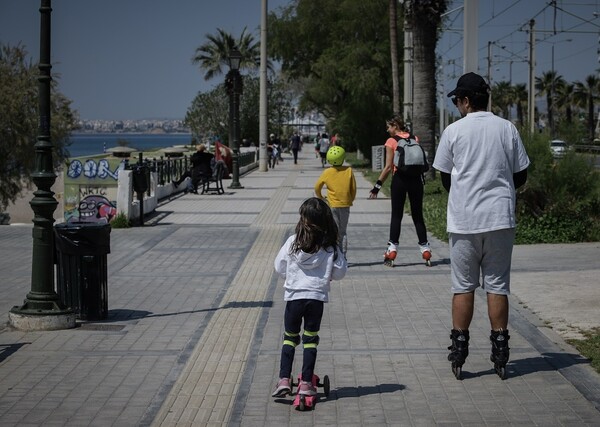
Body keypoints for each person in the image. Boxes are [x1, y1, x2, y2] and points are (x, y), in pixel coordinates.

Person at [432, 72, 530, 379]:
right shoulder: (507, 128)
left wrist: (464, 195)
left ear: (464, 101)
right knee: (497, 285)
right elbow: (520, 175)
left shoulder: (453, 131)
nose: (457, 106)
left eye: (457, 101)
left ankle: (459, 347)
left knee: (463, 285)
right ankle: (500, 348)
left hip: (464, 221)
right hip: (500, 218)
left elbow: (445, 176)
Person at [271, 197, 348, 398]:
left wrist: (290, 275)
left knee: (289, 338)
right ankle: (305, 383)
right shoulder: (330, 247)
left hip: (294, 298)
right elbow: (340, 273)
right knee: (310, 341)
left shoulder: (292, 242)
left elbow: (279, 267)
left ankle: (283, 380)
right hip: (315, 299)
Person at [369, 115, 431, 267]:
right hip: (416, 181)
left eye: (389, 127)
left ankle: (392, 250)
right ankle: (425, 249)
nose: (387, 130)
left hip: (400, 181)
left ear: (395, 126)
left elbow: (389, 167)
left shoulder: (391, 141)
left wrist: (377, 186)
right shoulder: (414, 138)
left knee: (397, 216)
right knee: (418, 215)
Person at [314, 146, 356, 254]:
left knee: (333, 230)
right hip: (345, 205)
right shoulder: (349, 170)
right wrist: (350, 199)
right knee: (343, 232)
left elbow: (317, 186)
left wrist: (321, 197)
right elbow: (353, 188)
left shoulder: (327, 172)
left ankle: (334, 254)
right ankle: (343, 255)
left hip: (332, 205)